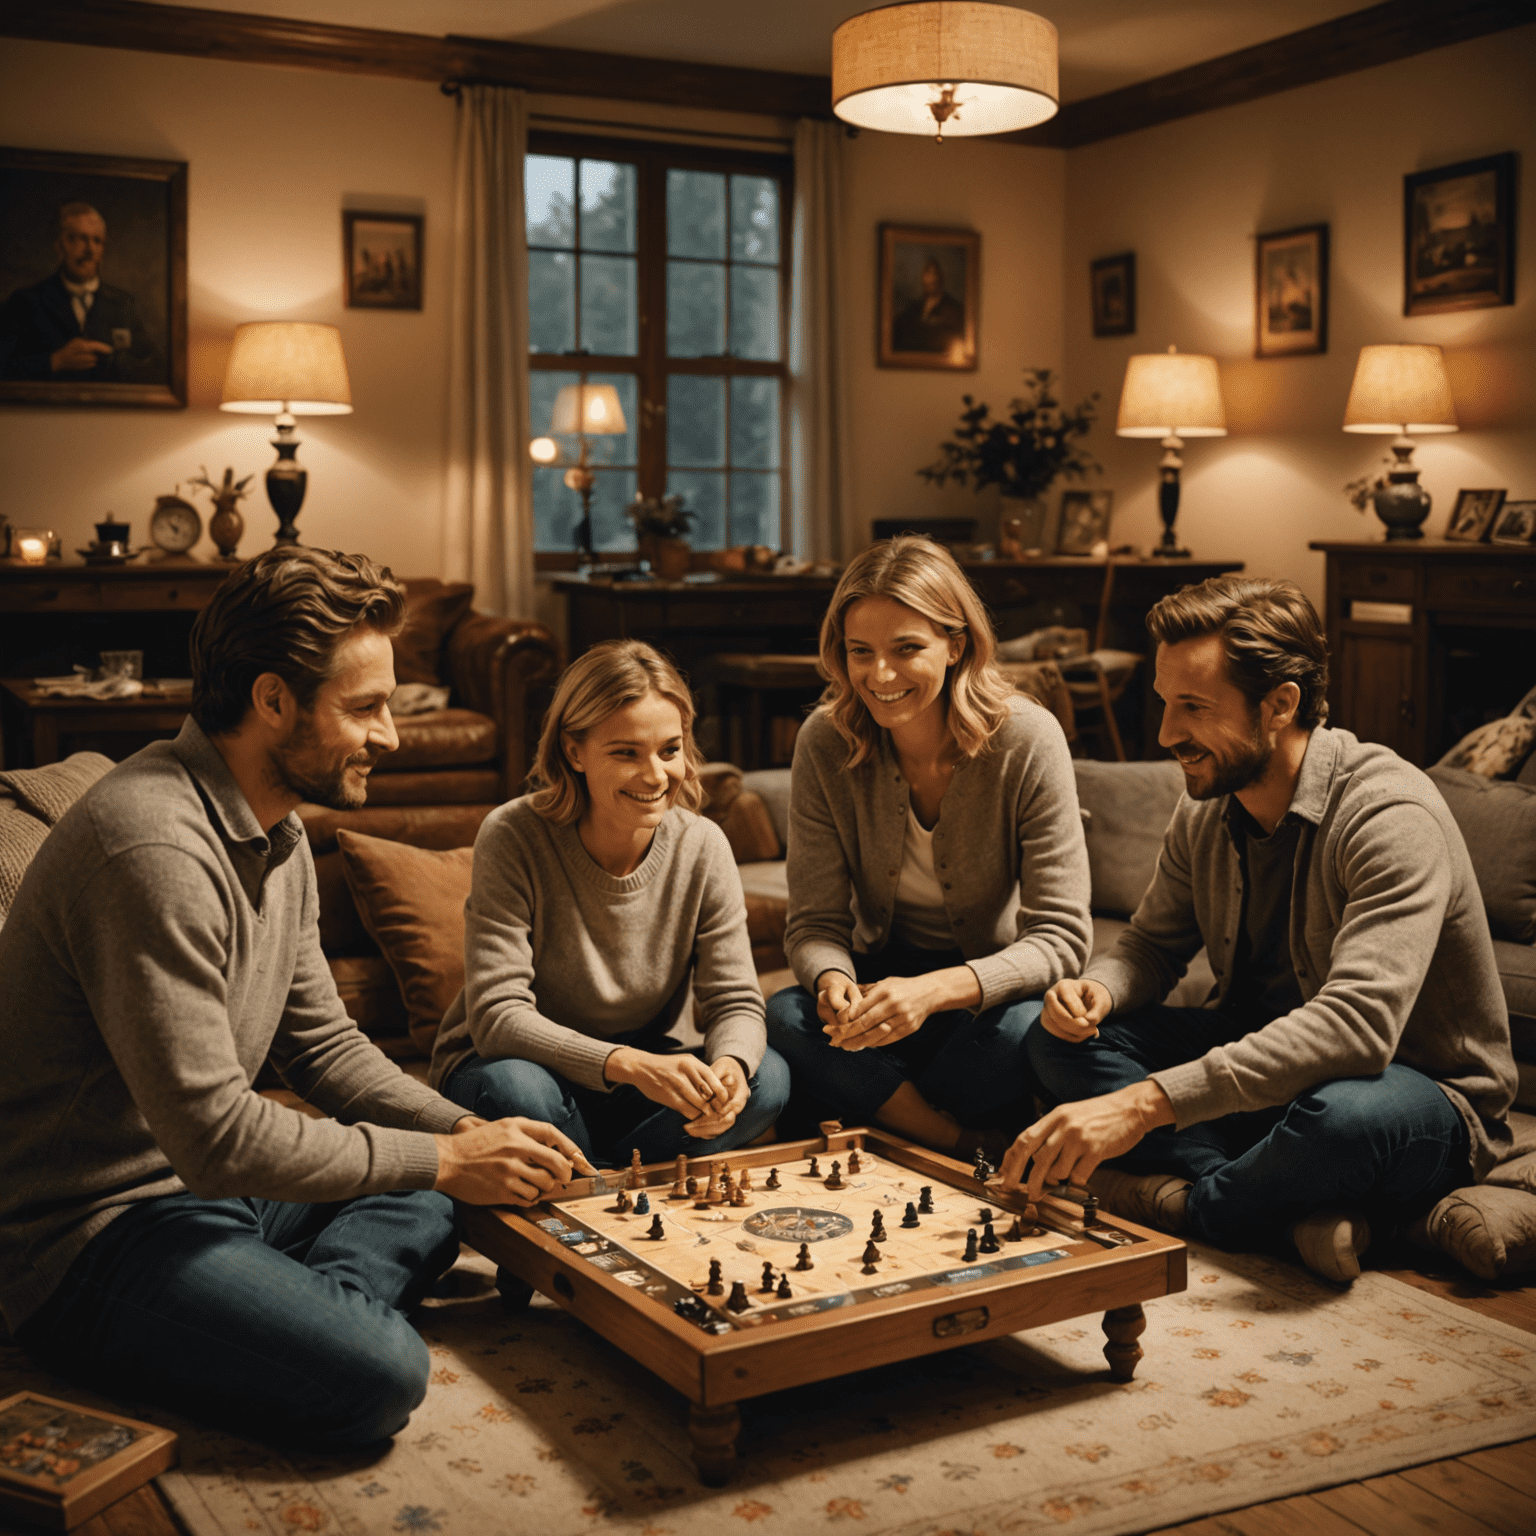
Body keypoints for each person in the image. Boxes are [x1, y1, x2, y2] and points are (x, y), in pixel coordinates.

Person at [0, 547, 591, 1448]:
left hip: (218, 1197)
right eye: (366, 708)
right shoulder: (153, 847)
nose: (390, 734)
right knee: (381, 1372)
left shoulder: (272, 830)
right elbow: (217, 1137)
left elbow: (324, 1048)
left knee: (446, 1160)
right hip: (90, 1234)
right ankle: (318, 1322)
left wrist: (461, 1139)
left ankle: (288, 1309)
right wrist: (441, 1163)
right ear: (273, 699)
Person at [998, 575, 1516, 1282]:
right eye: (1164, 703)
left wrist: (1144, 1106)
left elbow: (1355, 1029)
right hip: (1259, 1069)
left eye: (1194, 707)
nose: (1166, 733)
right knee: (1052, 1038)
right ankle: (1277, 1199)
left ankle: (1191, 1205)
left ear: (1280, 706)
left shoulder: (1390, 815)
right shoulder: (1207, 807)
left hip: (1414, 1088)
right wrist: (1098, 992)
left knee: (1338, 1121)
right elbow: (1152, 947)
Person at [766, 536, 1093, 1154]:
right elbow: (813, 923)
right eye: (860, 652)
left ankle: (874, 1108)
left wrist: (933, 991)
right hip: (877, 980)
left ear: (956, 644)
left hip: (980, 992)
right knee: (785, 1016)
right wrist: (833, 979)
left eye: (907, 648)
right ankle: (954, 1139)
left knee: (1031, 1032)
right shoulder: (824, 740)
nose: (879, 675)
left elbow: (1062, 940)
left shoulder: (1027, 738)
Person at [432, 640, 789, 1165]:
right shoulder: (511, 834)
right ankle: (612, 1171)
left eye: (669, 750)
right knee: (518, 1093)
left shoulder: (703, 844)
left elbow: (734, 1001)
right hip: (515, 1066)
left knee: (769, 1077)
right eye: (626, 752)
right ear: (574, 751)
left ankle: (587, 1174)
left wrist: (731, 1068)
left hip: (634, 1074)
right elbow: (497, 1018)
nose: (655, 775)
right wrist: (629, 1064)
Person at [0, 202, 160, 383]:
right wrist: (54, 362)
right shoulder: (26, 302)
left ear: (103, 250)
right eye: (78, 239)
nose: (90, 250)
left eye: (97, 241)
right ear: (59, 247)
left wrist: (116, 361)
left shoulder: (124, 304)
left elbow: (155, 368)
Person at [892, 256, 966, 356]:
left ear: (941, 276)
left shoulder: (954, 309)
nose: (930, 278)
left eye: (934, 273)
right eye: (927, 272)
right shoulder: (913, 308)